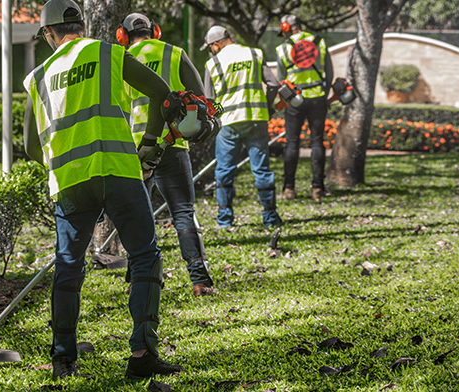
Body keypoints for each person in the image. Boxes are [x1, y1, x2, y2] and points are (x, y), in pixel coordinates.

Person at [23, 0, 183, 381]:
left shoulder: (38, 77)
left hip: (69, 183)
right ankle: (142, 351)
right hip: (117, 171)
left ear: (48, 33)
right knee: (144, 256)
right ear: (81, 24)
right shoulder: (107, 52)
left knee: (68, 267)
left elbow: (30, 147)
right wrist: (148, 143)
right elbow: (162, 94)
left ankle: (63, 358)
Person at [118, 12, 215, 297]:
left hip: (133, 150)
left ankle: (139, 281)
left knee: (139, 218)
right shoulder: (175, 53)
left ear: (122, 36)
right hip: (171, 143)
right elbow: (201, 99)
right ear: (155, 31)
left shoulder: (116, 60)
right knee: (183, 212)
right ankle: (200, 281)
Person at [202, 25, 283, 229]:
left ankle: (225, 220)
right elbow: (273, 84)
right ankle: (270, 217)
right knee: (262, 170)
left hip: (229, 123)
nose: (211, 50)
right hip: (256, 118)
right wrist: (268, 107)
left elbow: (209, 99)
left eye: (211, 46)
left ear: (216, 44)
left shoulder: (213, 64)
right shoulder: (254, 54)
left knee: (224, 171)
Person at [275, 14, 333, 202]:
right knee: (317, 142)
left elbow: (282, 81)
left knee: (292, 143)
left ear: (286, 28)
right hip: (317, 97)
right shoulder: (318, 42)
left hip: (294, 100)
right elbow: (329, 73)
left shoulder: (283, 48)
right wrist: (322, 92)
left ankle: (289, 189)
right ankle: (318, 189)